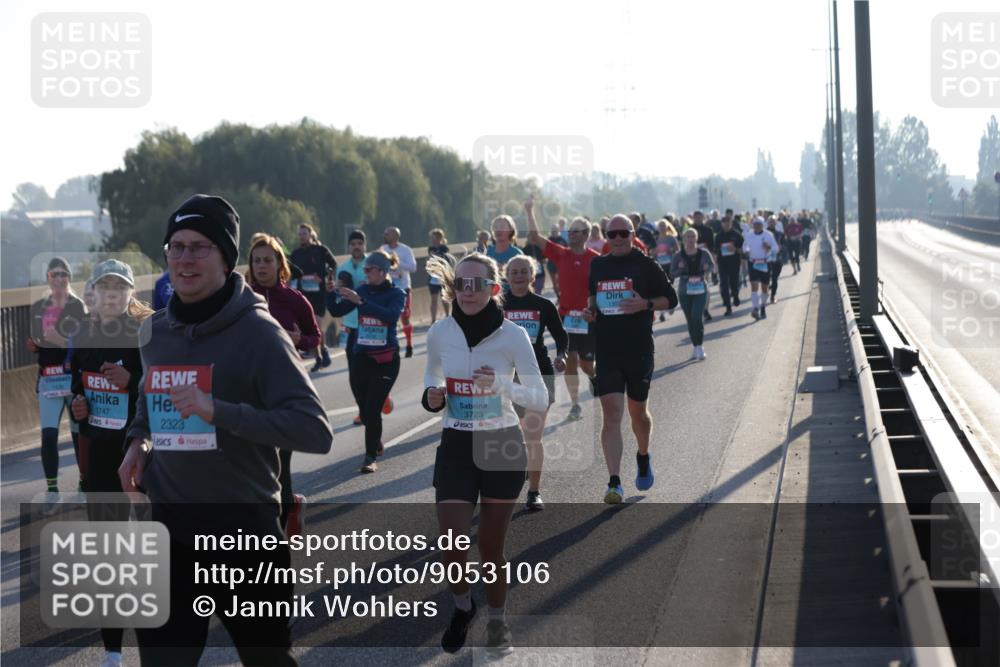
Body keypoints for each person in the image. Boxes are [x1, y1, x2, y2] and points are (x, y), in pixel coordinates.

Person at [119, 194, 333, 666]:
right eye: (175, 246)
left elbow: (315, 430)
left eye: (199, 247)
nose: (184, 258)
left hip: (245, 533)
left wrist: (220, 412)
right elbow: (149, 396)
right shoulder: (152, 332)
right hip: (169, 528)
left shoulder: (260, 333)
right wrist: (138, 440)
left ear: (225, 257)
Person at [422, 252, 547, 656]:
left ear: (494, 289)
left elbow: (540, 397)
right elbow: (430, 381)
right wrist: (432, 396)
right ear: (453, 288)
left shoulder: (513, 335)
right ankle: (463, 605)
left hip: (501, 446)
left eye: (476, 284)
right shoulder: (440, 332)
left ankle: (498, 622)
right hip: (457, 444)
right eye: (461, 284)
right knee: (451, 542)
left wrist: (502, 387)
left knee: (491, 547)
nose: (468, 291)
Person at [68, 259, 152, 667]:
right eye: (105, 287)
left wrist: (131, 381)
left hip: (147, 456)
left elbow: (168, 391)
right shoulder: (83, 335)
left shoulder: (148, 334)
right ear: (94, 296)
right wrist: (78, 408)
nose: (112, 293)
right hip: (102, 458)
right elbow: (75, 392)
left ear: (130, 294)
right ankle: (114, 651)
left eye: (120, 287)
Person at [583, 215, 676, 504]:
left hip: (639, 351)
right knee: (612, 415)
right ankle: (614, 482)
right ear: (606, 238)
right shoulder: (598, 265)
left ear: (633, 234)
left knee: (638, 414)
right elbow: (592, 300)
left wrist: (645, 304)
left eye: (624, 233)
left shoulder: (647, 265)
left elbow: (670, 300)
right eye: (613, 234)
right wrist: (590, 314)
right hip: (608, 349)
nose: (619, 238)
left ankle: (643, 455)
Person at [247, 234, 323, 534]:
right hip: (246, 391)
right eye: (257, 260)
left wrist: (298, 340)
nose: (262, 265)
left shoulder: (293, 299)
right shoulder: (238, 298)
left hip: (284, 391)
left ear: (280, 264)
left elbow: (316, 338)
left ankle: (277, 532)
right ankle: (288, 505)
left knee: (280, 465)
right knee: (253, 467)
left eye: (268, 260)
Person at [327, 250, 406, 473]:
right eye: (364, 270)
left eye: (369, 269)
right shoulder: (361, 290)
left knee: (372, 410)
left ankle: (370, 457)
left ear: (382, 272)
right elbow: (336, 309)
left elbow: (390, 316)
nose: (365, 273)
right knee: (364, 409)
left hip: (386, 359)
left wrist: (360, 301)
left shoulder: (396, 293)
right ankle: (375, 439)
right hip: (361, 356)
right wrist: (330, 292)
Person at [502, 255, 568, 511]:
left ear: (533, 275)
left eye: (523, 271)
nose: (518, 276)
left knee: (533, 436)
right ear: (507, 276)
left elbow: (562, 338)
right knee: (513, 435)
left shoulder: (543, 305)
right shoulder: (497, 305)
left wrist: (561, 356)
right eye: (514, 271)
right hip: (508, 377)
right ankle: (521, 472)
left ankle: (534, 491)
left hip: (540, 375)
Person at [524, 202, 599, 422]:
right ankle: (575, 405)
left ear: (585, 234)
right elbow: (535, 237)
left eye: (575, 232)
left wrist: (596, 310)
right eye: (570, 231)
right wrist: (529, 211)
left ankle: (593, 376)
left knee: (586, 364)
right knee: (570, 360)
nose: (571, 235)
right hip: (565, 317)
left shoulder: (595, 259)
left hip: (587, 318)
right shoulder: (561, 254)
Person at [27, 256, 85, 494]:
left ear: (69, 278)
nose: (59, 279)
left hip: (72, 379)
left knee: (78, 436)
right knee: (49, 436)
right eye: (54, 275)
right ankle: (52, 491)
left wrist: (59, 341)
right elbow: (37, 341)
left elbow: (82, 344)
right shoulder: (37, 308)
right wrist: (34, 346)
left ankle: (84, 484)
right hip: (49, 379)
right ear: (48, 279)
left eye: (63, 274)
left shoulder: (77, 306)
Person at [290, 223, 337, 372]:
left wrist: (325, 278)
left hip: (319, 294)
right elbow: (290, 271)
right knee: (310, 327)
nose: (302, 236)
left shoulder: (320, 250)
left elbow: (333, 264)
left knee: (315, 324)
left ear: (311, 235)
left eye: (304, 233)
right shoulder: (295, 254)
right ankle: (320, 355)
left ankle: (321, 354)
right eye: (300, 234)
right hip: (303, 294)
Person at [338, 230, 371, 426]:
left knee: (371, 371)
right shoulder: (343, 268)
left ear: (364, 245)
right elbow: (337, 297)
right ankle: (362, 410)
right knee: (354, 374)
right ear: (349, 247)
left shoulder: (374, 266)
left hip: (372, 326)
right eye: (353, 244)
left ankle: (377, 400)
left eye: (360, 243)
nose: (356, 246)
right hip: (351, 326)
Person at [672, 229, 713, 360]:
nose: (690, 239)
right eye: (688, 237)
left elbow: (712, 266)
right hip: (685, 290)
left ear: (696, 238)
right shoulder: (678, 256)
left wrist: (707, 269)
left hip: (700, 288)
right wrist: (680, 268)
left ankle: (700, 346)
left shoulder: (704, 253)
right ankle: (695, 347)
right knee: (690, 319)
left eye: (693, 236)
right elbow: (672, 273)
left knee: (697, 316)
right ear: (683, 239)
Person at [381, 226, 418, 358]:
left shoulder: (405, 250)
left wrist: (397, 262)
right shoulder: (383, 249)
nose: (385, 235)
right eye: (385, 234)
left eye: (388, 233)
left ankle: (409, 344)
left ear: (396, 236)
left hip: (403, 287)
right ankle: (392, 345)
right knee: (389, 317)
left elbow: (413, 267)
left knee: (405, 317)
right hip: (387, 288)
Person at [743, 217, 779, 320]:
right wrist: (746, 251)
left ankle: (763, 306)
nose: (756, 226)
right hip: (753, 263)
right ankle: (755, 308)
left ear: (763, 225)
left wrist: (768, 248)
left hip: (765, 263)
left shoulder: (768, 235)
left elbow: (776, 249)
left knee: (764, 288)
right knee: (754, 287)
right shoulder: (749, 235)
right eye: (755, 224)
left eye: (759, 224)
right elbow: (745, 246)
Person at [714, 215, 745, 316]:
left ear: (731, 224)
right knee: (724, 285)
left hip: (734, 262)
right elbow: (715, 251)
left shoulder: (737, 235)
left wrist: (735, 249)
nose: (726, 225)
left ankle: (735, 296)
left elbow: (743, 250)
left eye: (728, 223)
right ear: (722, 224)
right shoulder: (718, 236)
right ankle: (728, 307)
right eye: (724, 223)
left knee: (734, 283)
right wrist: (715, 262)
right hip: (723, 263)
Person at [428, 228, 453, 324]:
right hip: (433, 277)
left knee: (444, 298)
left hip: (442, 277)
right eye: (432, 238)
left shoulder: (444, 248)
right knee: (433, 299)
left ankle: (447, 315)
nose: (433, 240)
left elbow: (443, 258)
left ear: (439, 238)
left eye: (435, 238)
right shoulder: (431, 248)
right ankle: (433, 319)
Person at [767, 215, 786, 304]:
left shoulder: (780, 234)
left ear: (775, 223)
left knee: (775, 278)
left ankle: (772, 296)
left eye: (773, 221)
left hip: (777, 259)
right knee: (767, 278)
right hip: (766, 259)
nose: (771, 223)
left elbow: (785, 244)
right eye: (770, 221)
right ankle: (770, 293)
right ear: (767, 223)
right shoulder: (764, 233)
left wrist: (781, 247)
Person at [546, 225, 567, 298]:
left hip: (560, 263)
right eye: (552, 230)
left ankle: (561, 296)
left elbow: (566, 251)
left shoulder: (562, 240)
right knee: (554, 282)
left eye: (555, 230)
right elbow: (545, 251)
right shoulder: (549, 240)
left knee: (560, 281)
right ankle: (558, 296)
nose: (554, 231)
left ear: (558, 231)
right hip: (551, 263)